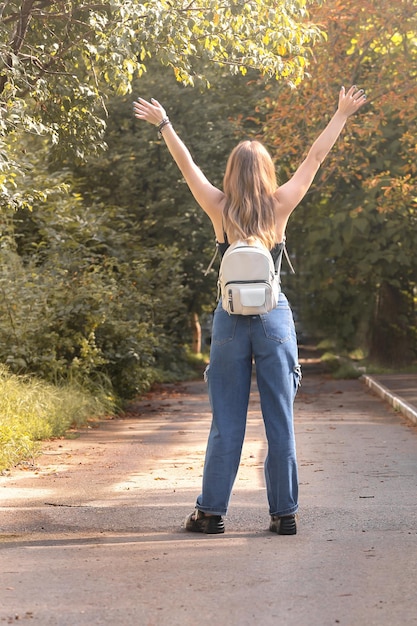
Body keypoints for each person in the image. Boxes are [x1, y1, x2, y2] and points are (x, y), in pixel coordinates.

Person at [133, 85, 367, 535]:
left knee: (226, 421)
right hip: (274, 317)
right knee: (280, 420)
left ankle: (211, 513)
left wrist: (164, 124)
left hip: (228, 321)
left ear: (231, 173)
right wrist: (340, 114)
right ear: (266, 172)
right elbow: (315, 159)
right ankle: (284, 515)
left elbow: (188, 166)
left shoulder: (218, 208)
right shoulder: (280, 206)